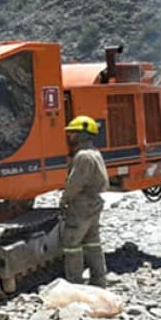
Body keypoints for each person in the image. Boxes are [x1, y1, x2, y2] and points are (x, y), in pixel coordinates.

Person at [61, 115, 110, 287]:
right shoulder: (95, 153)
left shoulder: (82, 156)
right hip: (94, 202)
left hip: (81, 205)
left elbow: (75, 184)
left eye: (73, 132)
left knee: (71, 244)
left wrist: (64, 200)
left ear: (82, 134)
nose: (70, 136)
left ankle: (74, 283)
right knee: (92, 242)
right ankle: (99, 280)